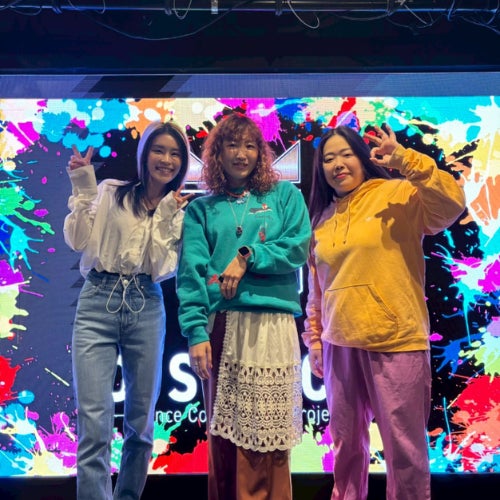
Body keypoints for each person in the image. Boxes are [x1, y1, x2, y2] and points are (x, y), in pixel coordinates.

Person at [302, 123, 466, 500]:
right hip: (339, 345)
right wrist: (315, 340)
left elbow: (451, 204)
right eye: (328, 158)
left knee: (404, 451)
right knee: (345, 448)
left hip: (396, 340)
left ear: (363, 158)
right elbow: (317, 290)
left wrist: (405, 160)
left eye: (346, 154)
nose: (338, 164)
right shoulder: (320, 220)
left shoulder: (397, 194)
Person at [176, 112, 312, 500]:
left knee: (271, 438)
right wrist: (196, 332)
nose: (241, 154)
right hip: (223, 325)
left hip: (274, 323)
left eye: (250, 145)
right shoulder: (201, 210)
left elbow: (297, 247)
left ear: (261, 153)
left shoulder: (284, 196)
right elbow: (191, 275)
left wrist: (248, 256)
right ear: (217, 154)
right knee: (225, 438)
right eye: (232, 145)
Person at [63, 120, 193, 500]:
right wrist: (83, 187)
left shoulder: (177, 210)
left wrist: (165, 215)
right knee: (94, 422)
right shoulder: (111, 191)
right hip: (97, 301)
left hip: (145, 302)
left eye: (174, 154)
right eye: (159, 150)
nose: (166, 160)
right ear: (145, 154)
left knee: (141, 422)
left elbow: (160, 268)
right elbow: (77, 240)